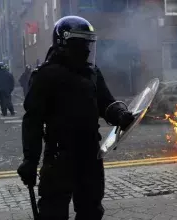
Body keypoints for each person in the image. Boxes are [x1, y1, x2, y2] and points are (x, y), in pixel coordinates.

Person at [17, 16, 135, 220]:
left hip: (90, 154)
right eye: (82, 43)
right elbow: (33, 121)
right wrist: (30, 160)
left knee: (91, 210)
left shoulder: (92, 73)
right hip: (59, 156)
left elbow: (106, 103)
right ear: (65, 43)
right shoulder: (46, 75)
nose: (87, 49)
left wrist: (120, 115)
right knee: (53, 213)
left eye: (89, 43)